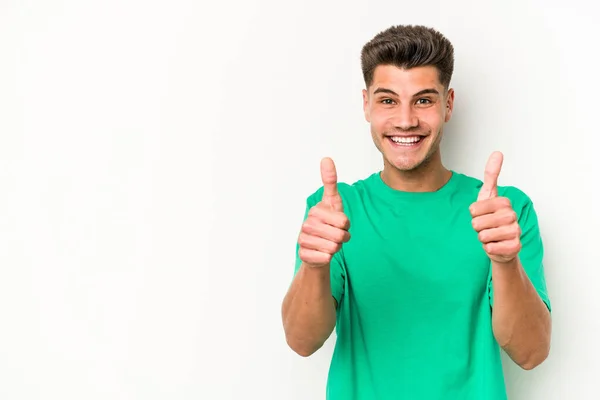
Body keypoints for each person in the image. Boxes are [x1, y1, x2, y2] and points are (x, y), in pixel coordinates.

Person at [280, 25, 552, 399]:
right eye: (388, 100)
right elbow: (302, 341)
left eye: (423, 100)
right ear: (366, 105)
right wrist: (314, 266)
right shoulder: (333, 211)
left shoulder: (502, 213)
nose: (406, 120)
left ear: (448, 103)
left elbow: (531, 352)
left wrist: (505, 261)